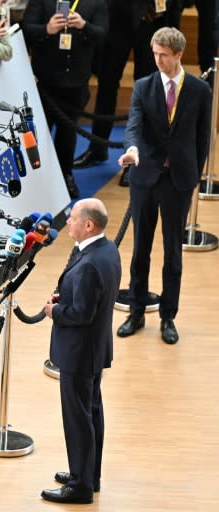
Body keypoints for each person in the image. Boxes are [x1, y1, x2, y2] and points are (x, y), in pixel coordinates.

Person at [116, 27, 211, 345]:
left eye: (164, 55)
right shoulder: (143, 86)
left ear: (179, 55)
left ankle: (168, 316)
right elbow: (133, 125)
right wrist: (131, 149)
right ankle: (137, 311)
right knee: (140, 248)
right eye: (155, 53)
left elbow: (202, 138)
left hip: (179, 180)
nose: (157, 60)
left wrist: (193, 175)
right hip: (144, 177)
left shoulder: (200, 90)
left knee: (173, 251)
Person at [41, 198, 121, 505]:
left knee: (78, 418)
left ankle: (80, 485)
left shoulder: (89, 263)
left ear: (88, 225)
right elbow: (94, 296)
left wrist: (55, 311)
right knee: (91, 412)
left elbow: (81, 314)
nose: (69, 223)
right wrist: (68, 295)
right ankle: (89, 474)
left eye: (73, 219)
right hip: (94, 349)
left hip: (79, 352)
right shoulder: (106, 250)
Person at [73, 0, 183, 169]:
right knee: (106, 84)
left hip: (154, 21)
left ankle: (137, 157)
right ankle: (97, 148)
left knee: (146, 90)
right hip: (117, 18)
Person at [22, 0, 108, 199]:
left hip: (76, 81)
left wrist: (84, 26)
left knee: (68, 132)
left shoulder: (96, 3)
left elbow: (103, 35)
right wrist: (47, 29)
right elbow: (26, 29)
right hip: (44, 80)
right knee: (38, 133)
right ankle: (36, 180)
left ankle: (65, 176)